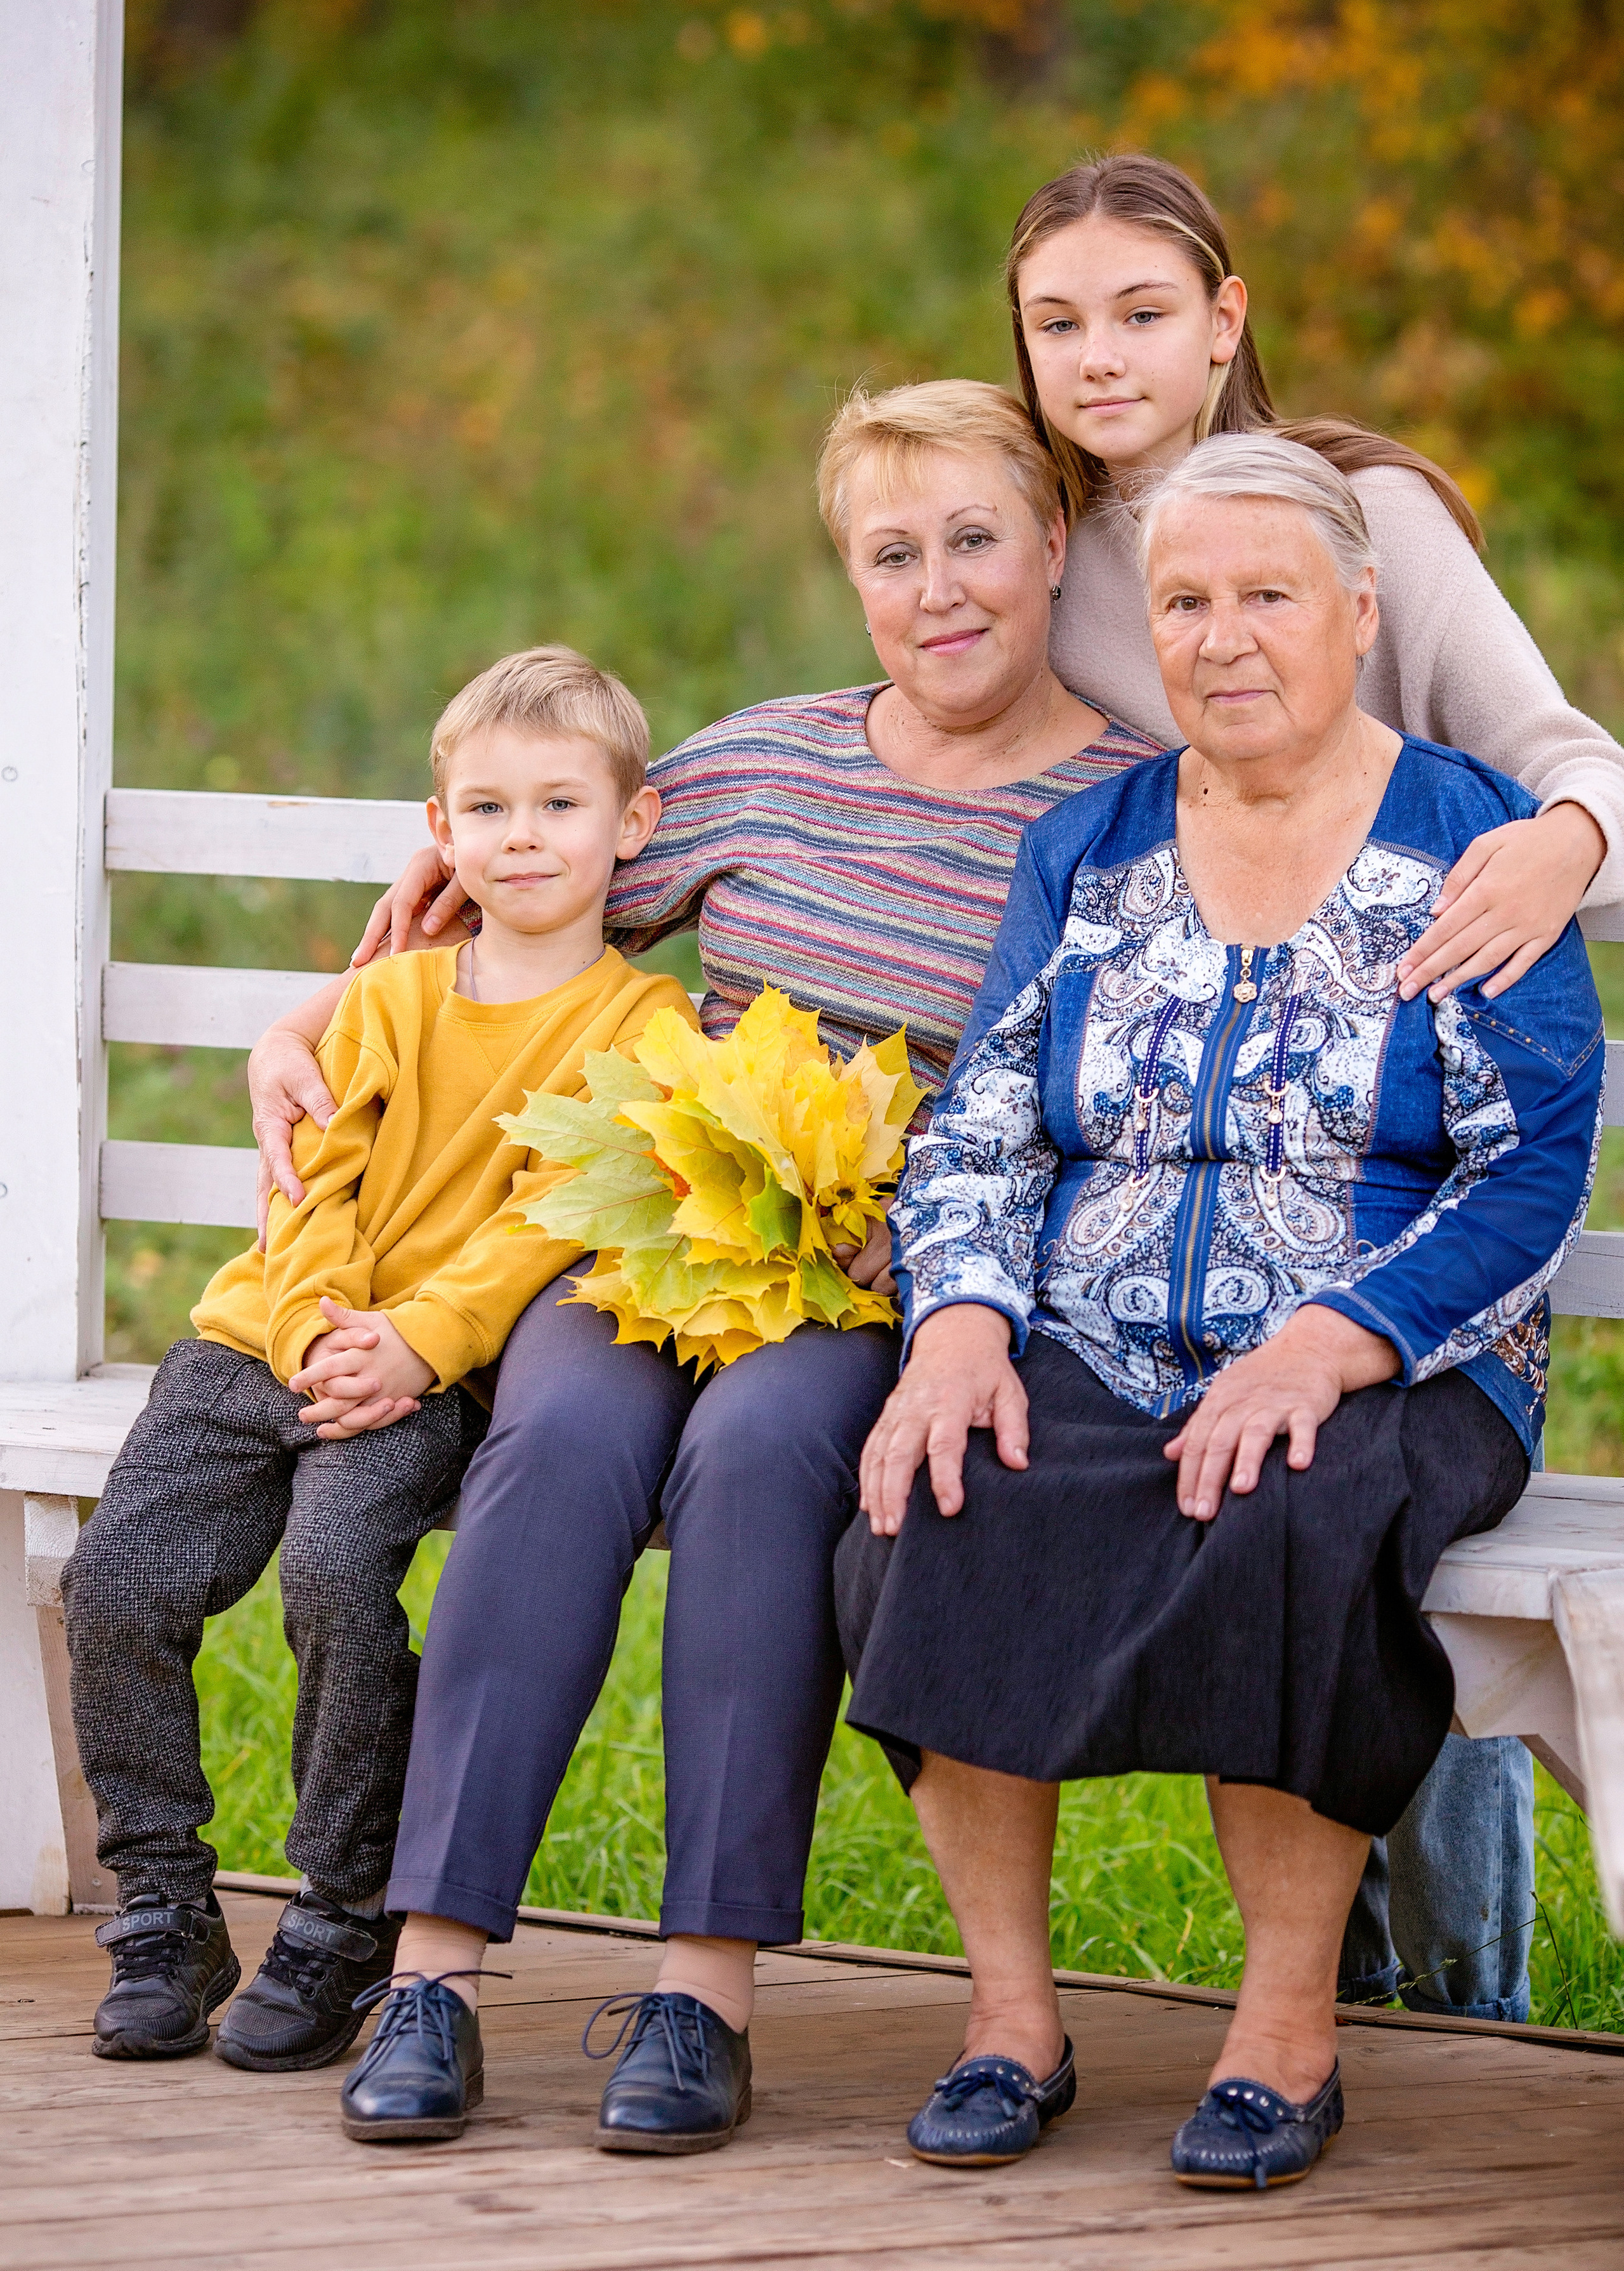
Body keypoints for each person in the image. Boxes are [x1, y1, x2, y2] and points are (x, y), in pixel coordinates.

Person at [251, 382, 1163, 2148]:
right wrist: (299, 1025)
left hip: (881, 1269)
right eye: (892, 555)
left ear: (1055, 546)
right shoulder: (765, 757)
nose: (939, 588)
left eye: (976, 539)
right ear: (852, 577)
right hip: (658, 1235)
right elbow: (474, 898)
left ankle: (699, 1988)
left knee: (759, 1459)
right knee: (561, 1435)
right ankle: (431, 1970)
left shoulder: (1124, 805)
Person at [836, 435, 1603, 2185]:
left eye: (1268, 597)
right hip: (1099, 1328)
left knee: (1294, 1513)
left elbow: (1535, 1162)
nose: (1223, 636)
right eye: (1185, 601)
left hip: (1397, 1348)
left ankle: (1284, 2038)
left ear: (1356, 610)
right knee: (940, 1491)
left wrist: (1332, 1344)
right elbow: (987, 1120)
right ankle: (1010, 2021)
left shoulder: (1468, 842)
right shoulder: (1090, 843)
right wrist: (957, 1319)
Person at [1005, 152, 1624, 2024]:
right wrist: (555, 843)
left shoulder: (1367, 517)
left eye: (1142, 312)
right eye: (1058, 323)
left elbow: (1561, 746)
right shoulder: (1051, 565)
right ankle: (1325, 1963)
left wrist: (1561, 838)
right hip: (1197, 1141)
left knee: (1355, 1498)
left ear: (1227, 321)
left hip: (1418, 1124)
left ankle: (1468, 1988)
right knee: (1198, 1446)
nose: (1101, 357)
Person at [62, 647, 692, 2081]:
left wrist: (411, 1344)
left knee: (336, 1580)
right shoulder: (394, 996)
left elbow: (554, 1220)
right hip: (261, 1341)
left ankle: (342, 1917)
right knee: (117, 1584)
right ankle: (164, 1905)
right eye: (486, 809)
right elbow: (311, 1175)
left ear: (631, 826)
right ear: (440, 829)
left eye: (556, 805)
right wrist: (315, 1335)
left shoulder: (640, 1026)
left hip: (424, 1378)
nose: (519, 838)